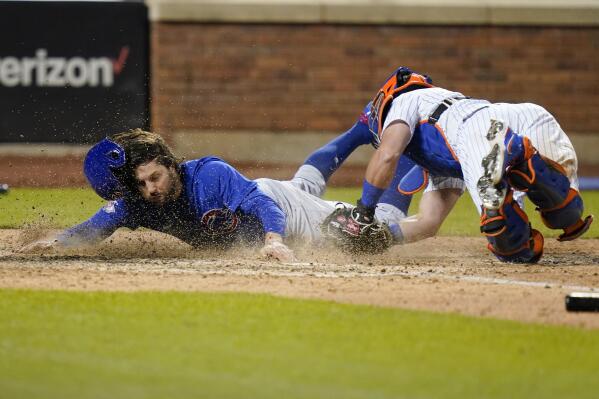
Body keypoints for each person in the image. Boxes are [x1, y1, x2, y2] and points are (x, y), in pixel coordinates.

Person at [20, 120, 419, 261]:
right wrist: (58, 243)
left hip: (283, 211)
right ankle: (361, 127)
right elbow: (97, 226)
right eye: (141, 184)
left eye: (154, 176)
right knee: (303, 184)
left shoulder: (209, 175)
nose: (150, 189)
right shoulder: (141, 203)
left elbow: (261, 203)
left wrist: (274, 239)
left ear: (170, 164)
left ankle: (415, 154)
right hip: (266, 195)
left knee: (372, 234)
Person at [324, 66, 593, 263]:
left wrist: (363, 213)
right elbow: (429, 222)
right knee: (564, 214)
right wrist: (383, 237)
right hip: (521, 118)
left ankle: (520, 160)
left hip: (479, 132)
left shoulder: (405, 99)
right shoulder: (437, 144)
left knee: (507, 241)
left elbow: (387, 155)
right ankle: (524, 163)